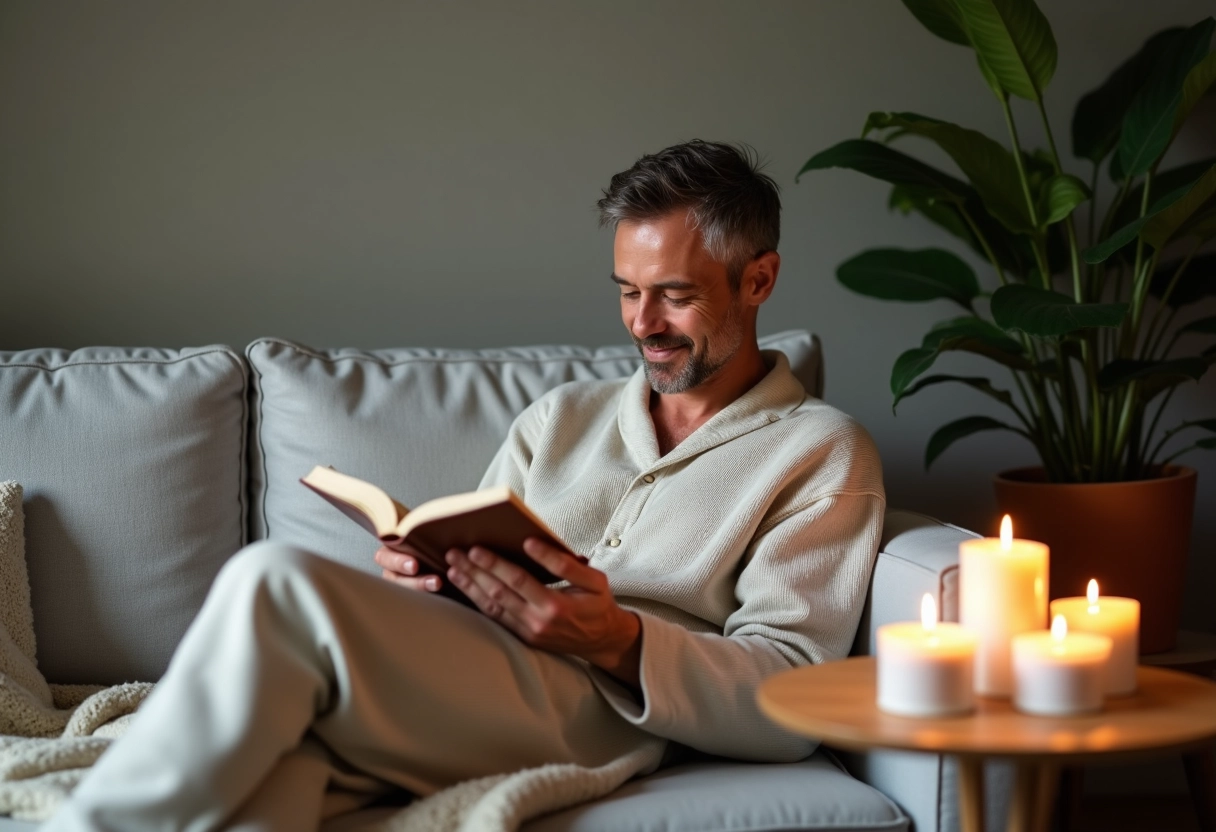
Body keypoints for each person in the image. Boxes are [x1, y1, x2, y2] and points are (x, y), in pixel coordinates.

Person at [45, 140, 885, 831]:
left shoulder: (821, 452)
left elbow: (793, 691)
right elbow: (478, 549)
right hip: (469, 674)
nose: (641, 324)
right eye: (627, 292)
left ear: (759, 280)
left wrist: (614, 640)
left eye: (674, 296)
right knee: (274, 781)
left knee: (271, 579)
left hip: (594, 710)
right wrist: (429, 575)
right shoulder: (561, 416)